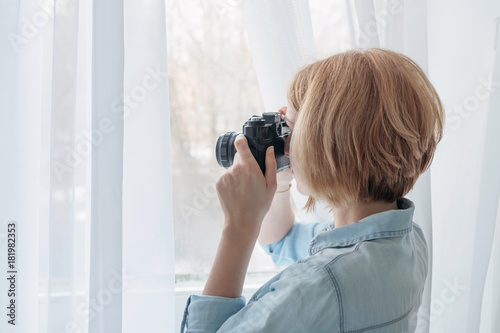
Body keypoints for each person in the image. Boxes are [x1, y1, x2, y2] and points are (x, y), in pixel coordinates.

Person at [180, 48, 445, 332]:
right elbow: (282, 242)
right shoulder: (407, 240)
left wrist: (237, 229)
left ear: (326, 146)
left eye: (292, 130)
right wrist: (280, 183)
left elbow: (319, 281)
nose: (285, 144)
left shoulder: (319, 285)